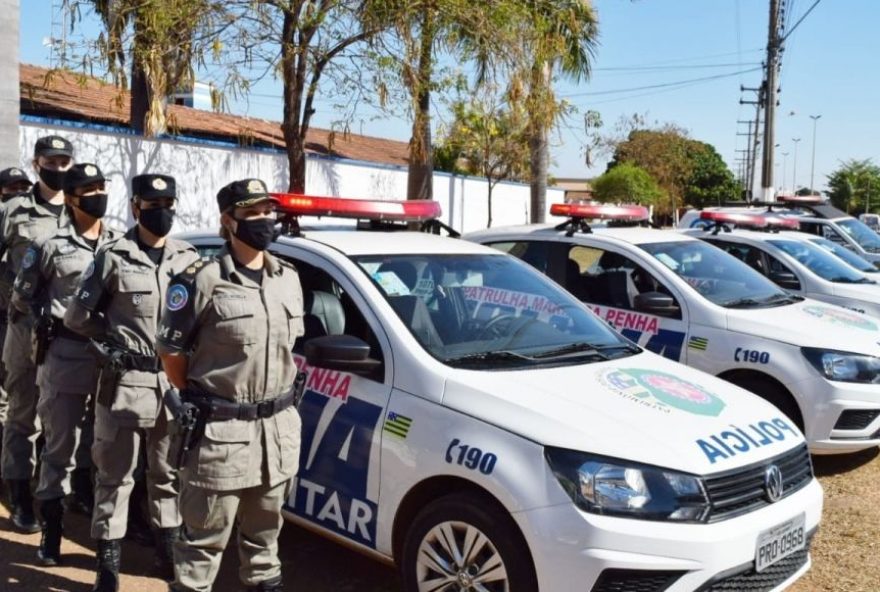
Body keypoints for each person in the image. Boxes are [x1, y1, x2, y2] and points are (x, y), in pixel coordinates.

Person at [157, 178, 304, 592]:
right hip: (220, 439)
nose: (264, 221)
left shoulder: (288, 279)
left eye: (268, 212)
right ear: (229, 220)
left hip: (277, 437)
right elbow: (171, 353)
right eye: (253, 213)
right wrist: (206, 400)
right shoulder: (200, 280)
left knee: (265, 547)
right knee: (201, 550)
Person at [66, 173, 199, 590]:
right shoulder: (114, 256)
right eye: (153, 204)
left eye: (168, 203)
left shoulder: (189, 258)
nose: (163, 212)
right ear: (136, 208)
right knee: (116, 478)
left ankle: (168, 557)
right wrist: (110, 343)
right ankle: (108, 568)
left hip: (172, 388)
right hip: (125, 386)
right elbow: (76, 316)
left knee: (166, 477)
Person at [12, 162, 120, 565]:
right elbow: (24, 295)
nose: (98, 194)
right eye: (89, 189)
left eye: (101, 187)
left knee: (107, 445)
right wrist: (50, 320)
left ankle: (103, 530)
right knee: (61, 447)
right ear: (72, 198)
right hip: (66, 355)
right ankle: (52, 531)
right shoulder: (49, 245)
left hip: (109, 359)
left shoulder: (119, 244)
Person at [0, 136, 73, 534]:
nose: (58, 168)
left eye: (65, 162)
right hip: (24, 329)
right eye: (51, 161)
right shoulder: (13, 210)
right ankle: (20, 497)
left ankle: (56, 497)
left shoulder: (81, 210)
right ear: (36, 163)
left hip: (67, 336)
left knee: (62, 422)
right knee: (22, 415)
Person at [0, 168, 34, 475]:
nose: (20, 191)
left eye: (24, 186)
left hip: (20, 323)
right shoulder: (6, 222)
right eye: (12, 187)